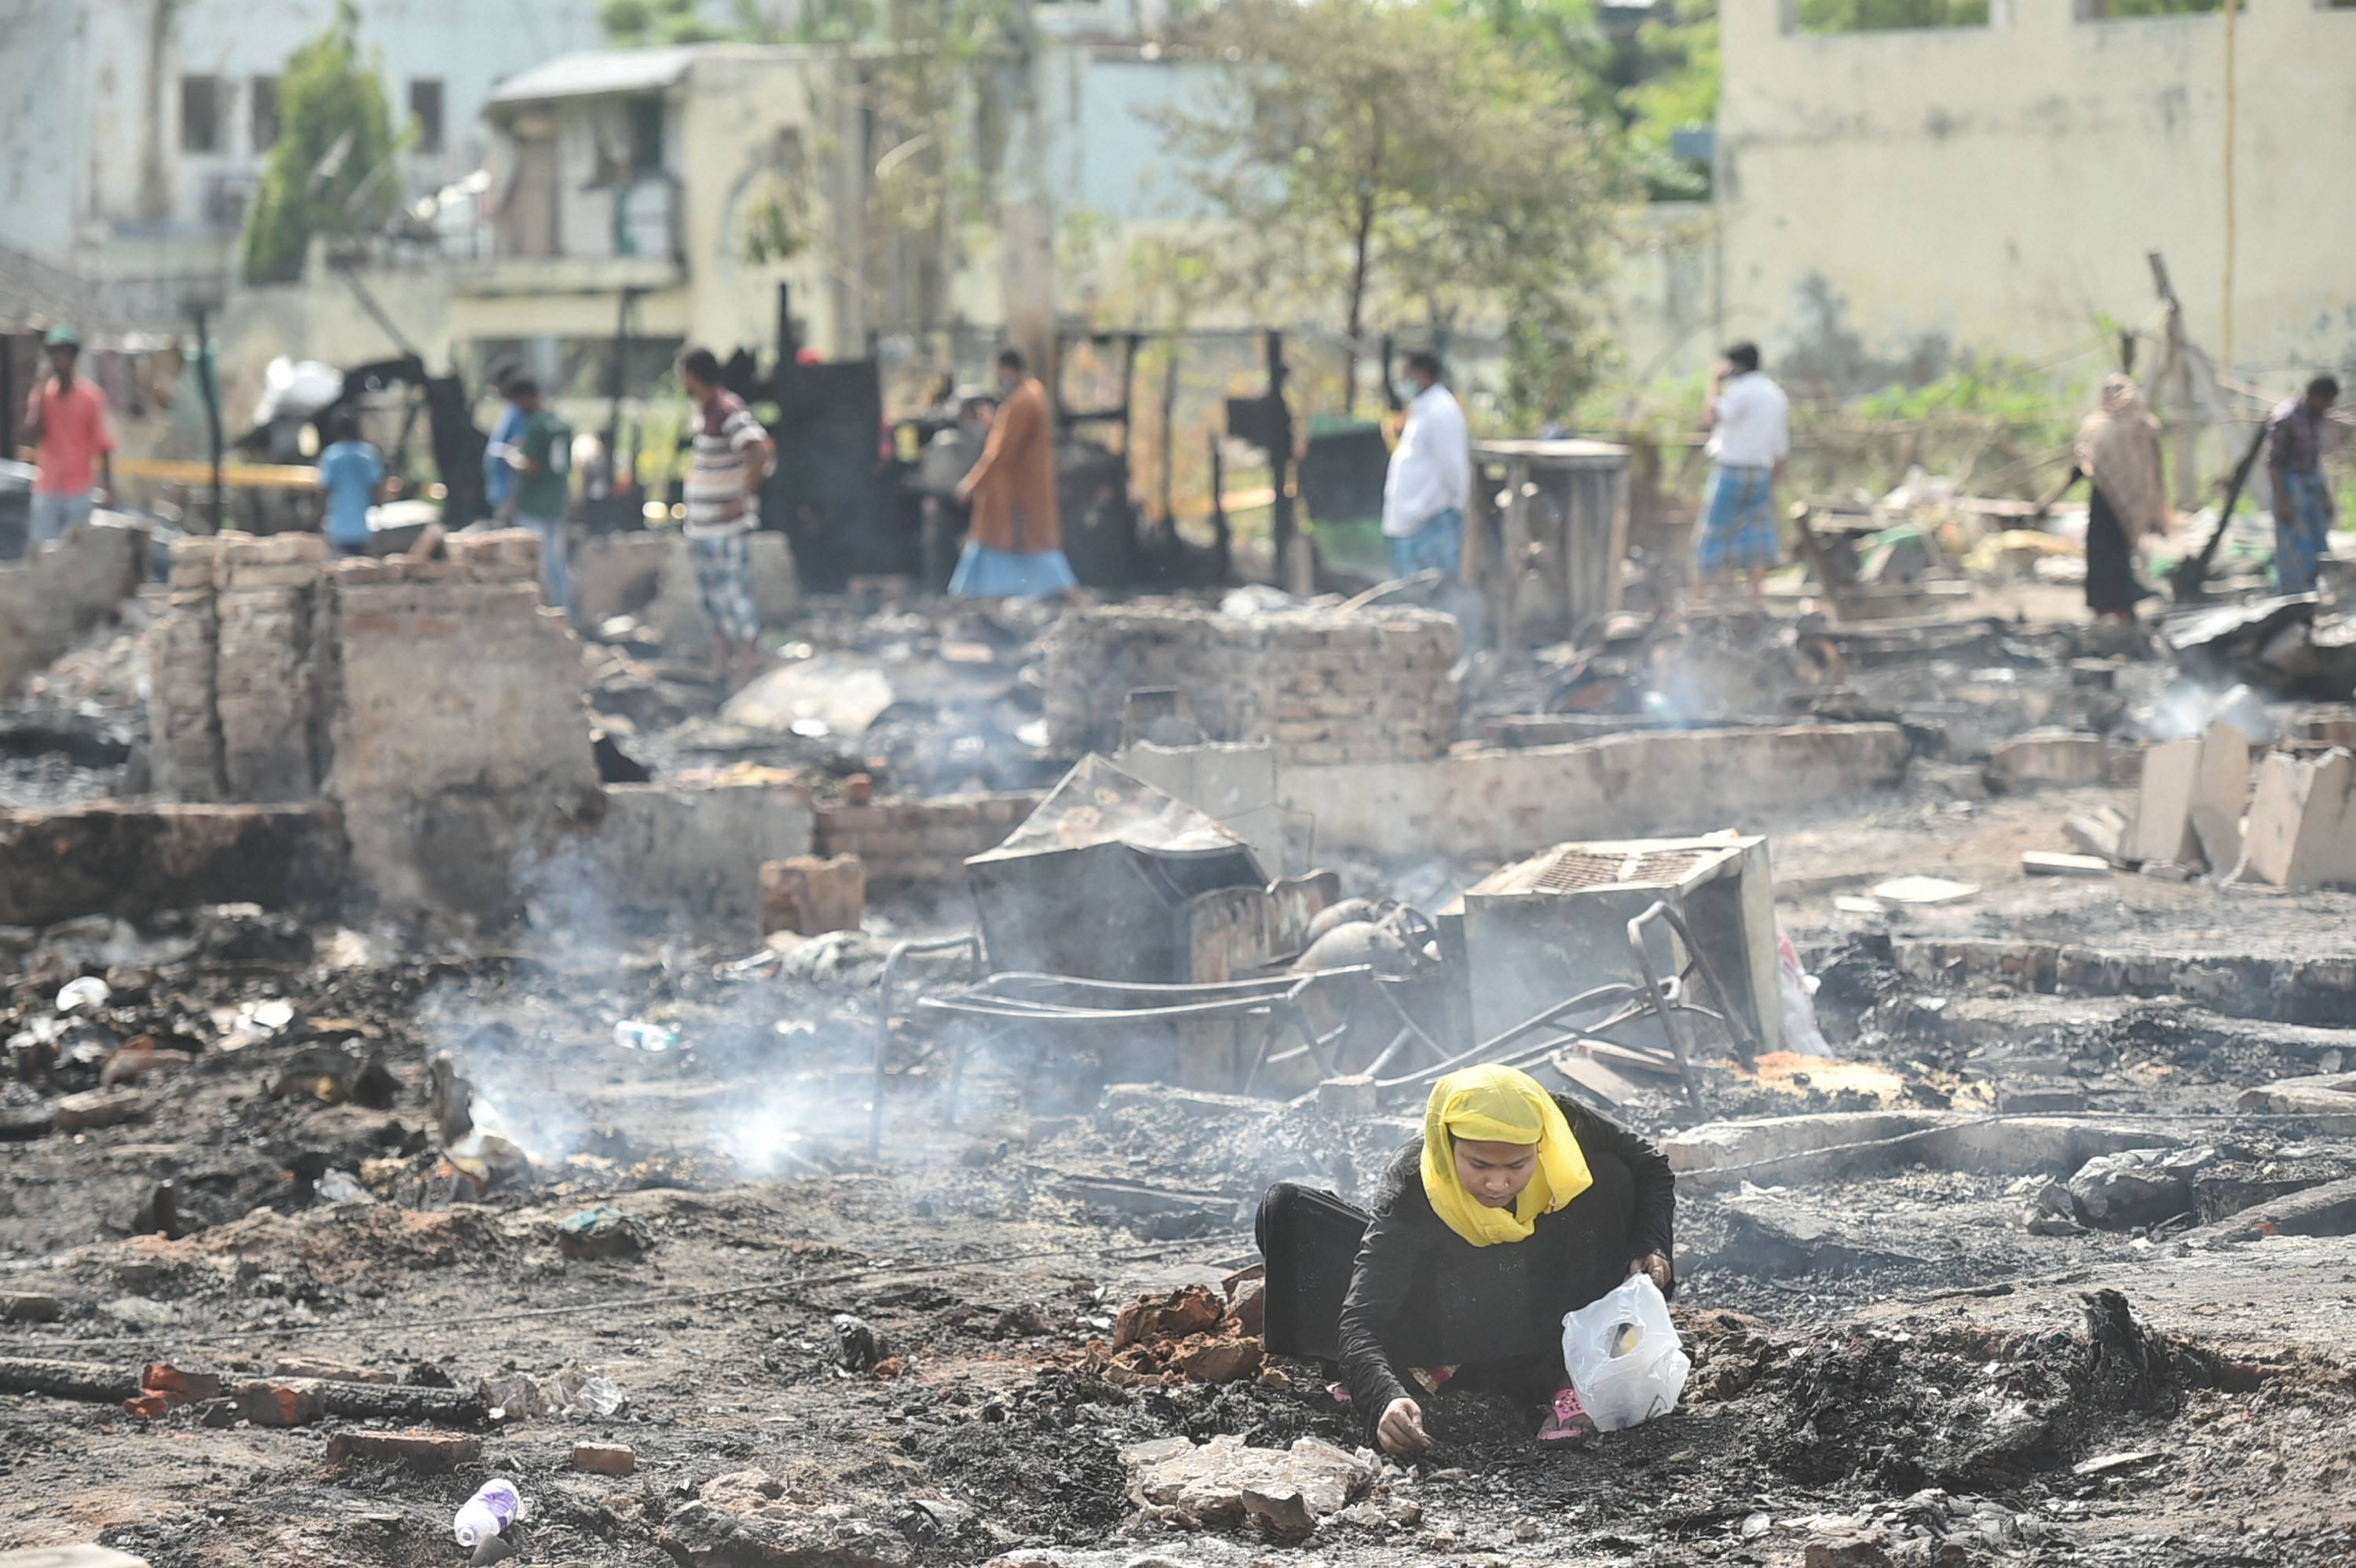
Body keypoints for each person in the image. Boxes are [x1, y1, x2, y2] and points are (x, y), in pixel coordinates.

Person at [1256, 1063, 1675, 1453]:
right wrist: (1382, 1397)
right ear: (1447, 1145)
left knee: (1611, 1174)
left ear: (1542, 1144)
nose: (1497, 1183)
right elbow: (1362, 1316)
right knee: (1287, 1207)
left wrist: (1653, 1246)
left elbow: (1652, 1167)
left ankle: (1570, 1376)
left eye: (1517, 1164)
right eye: (1478, 1164)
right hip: (1448, 1308)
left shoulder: (1564, 1122)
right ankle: (1421, 1369)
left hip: (1542, 1308)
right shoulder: (1411, 1185)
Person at [678, 345, 776, 689]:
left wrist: (743, 496)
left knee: (735, 596)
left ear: (691, 375)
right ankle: (721, 667)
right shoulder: (706, 412)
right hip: (705, 528)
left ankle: (747, 670)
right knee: (713, 600)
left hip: (726, 528)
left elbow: (760, 447)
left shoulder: (727, 408)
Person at [2037, 375, 2169, 625]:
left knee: (2104, 556)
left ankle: (2108, 612)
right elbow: (2156, 471)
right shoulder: (2144, 425)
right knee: (2119, 555)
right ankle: (2123, 612)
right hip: (2132, 505)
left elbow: (2082, 468)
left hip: (2105, 503)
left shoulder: (2101, 427)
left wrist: (2050, 499)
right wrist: (2154, 506)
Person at [951, 348, 1078, 598]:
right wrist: (995, 423)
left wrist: (971, 483)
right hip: (1018, 496)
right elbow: (1009, 436)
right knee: (1002, 551)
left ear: (1008, 369)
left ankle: (1077, 602)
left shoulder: (1023, 401)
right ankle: (989, 610)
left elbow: (1000, 452)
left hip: (1019, 497)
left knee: (1037, 551)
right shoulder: (1032, 393)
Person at [1699, 342, 1791, 600]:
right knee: (1757, 538)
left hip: (1731, 470)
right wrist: (1773, 482)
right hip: (1761, 472)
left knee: (1713, 533)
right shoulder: (1775, 394)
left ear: (1736, 366)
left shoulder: (1739, 391)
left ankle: (1700, 597)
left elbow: (1712, 418)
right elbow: (1781, 448)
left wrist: (1715, 384)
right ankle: (1755, 597)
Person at [19, 324, 117, 549]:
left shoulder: (91, 398)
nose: (59, 359)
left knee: (79, 551)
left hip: (79, 488)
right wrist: (42, 393)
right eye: (54, 353)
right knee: (45, 550)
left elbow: (104, 445)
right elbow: (32, 435)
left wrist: (109, 489)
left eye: (64, 353)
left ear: (74, 357)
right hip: (48, 486)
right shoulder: (44, 394)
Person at [1382, 351, 1471, 581]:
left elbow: (1453, 464)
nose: (1402, 381)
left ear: (1422, 374)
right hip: (1414, 518)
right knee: (1412, 595)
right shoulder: (1424, 408)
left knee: (1436, 592)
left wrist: (1458, 504)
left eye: (1406, 374)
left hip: (1433, 517)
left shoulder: (1441, 410)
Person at [502, 377, 575, 614]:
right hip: (556, 503)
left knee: (539, 564)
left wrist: (512, 457)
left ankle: (547, 612)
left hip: (534, 505)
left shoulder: (536, 427)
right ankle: (565, 612)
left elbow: (532, 466)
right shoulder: (561, 425)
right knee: (558, 564)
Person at [2268, 373, 2340, 596]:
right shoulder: (2286, 418)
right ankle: (2293, 599)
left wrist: (2326, 495)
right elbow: (2274, 463)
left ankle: (2312, 593)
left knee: (2317, 542)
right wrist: (2283, 502)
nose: (2328, 407)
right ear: (2316, 396)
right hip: (2290, 486)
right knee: (2292, 546)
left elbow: (2316, 461)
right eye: (2327, 401)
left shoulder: (2315, 418)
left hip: (2310, 484)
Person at [315, 409, 386, 559]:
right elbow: (377, 487)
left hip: (339, 527)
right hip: (364, 526)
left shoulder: (331, 456)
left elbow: (324, 490)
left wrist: (320, 518)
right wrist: (379, 512)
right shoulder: (369, 454)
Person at [481, 361, 525, 521]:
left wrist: (511, 501)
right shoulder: (510, 412)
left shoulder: (521, 414)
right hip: (500, 494)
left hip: (512, 497)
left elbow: (519, 452)